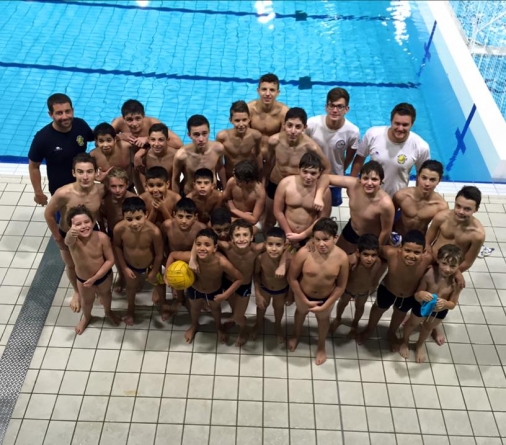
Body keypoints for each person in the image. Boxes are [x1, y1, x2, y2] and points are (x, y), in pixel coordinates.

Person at [44, 153, 105, 313]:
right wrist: (57, 237)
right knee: (72, 265)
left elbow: (102, 211)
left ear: (95, 172)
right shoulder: (64, 193)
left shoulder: (100, 189)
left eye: (89, 172)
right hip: (67, 234)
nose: (85, 177)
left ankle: (96, 285)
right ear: (73, 173)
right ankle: (77, 292)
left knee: (95, 262)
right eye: (80, 172)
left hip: (92, 232)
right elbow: (48, 214)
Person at [425, 186, 485, 345]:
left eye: (467, 209)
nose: (460, 211)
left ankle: (433, 325)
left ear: (476, 209)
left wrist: (453, 271)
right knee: (422, 288)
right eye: (458, 206)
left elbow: (468, 261)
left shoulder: (477, 234)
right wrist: (430, 262)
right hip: (433, 260)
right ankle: (415, 314)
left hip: (452, 269)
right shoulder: (441, 217)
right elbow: (427, 241)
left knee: (442, 296)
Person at [357, 230, 433, 350]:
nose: (411, 255)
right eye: (407, 250)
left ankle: (391, 332)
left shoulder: (428, 259)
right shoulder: (390, 252)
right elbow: (373, 250)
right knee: (378, 309)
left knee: (400, 313)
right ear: (400, 248)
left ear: (424, 252)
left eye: (417, 252)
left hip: (408, 294)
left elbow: (443, 265)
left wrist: (458, 274)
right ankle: (369, 329)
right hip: (387, 288)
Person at [288, 218, 349, 365]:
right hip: (303, 294)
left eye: (326, 240)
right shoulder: (304, 253)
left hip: (326, 297)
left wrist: (327, 304)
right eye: (317, 239)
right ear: (312, 238)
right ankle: (296, 335)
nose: (321, 244)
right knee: (300, 314)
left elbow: (341, 286)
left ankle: (321, 346)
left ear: (335, 238)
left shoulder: (342, 258)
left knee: (323, 321)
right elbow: (292, 278)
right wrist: (303, 298)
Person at [166, 228, 243, 344]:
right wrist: (167, 275)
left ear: (215, 248)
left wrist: (225, 295)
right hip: (195, 289)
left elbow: (240, 278)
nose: (202, 248)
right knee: (195, 308)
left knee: (215, 309)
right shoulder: (191, 257)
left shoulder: (221, 262)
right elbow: (172, 255)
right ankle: (194, 325)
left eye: (207, 245)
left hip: (214, 291)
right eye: (198, 244)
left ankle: (218, 327)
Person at [265, 107, 330, 231]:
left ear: (304, 128)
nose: (293, 131)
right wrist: (264, 183)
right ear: (284, 125)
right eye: (289, 125)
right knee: (270, 219)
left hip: (296, 188)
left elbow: (326, 168)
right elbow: (269, 162)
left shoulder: (310, 147)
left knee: (293, 221)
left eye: (298, 127)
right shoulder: (274, 141)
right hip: (275, 182)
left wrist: (318, 191)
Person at [399, 244, 463, 363]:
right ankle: (405, 341)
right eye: (444, 263)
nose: (448, 269)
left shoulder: (456, 282)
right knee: (412, 324)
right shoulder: (429, 273)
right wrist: (421, 294)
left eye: (453, 266)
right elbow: (416, 295)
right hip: (422, 306)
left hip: (439, 311)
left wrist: (445, 304)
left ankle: (419, 345)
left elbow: (453, 304)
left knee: (428, 328)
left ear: (459, 266)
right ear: (438, 260)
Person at [350, 103, 430, 197]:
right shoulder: (373, 134)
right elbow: (359, 160)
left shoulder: (421, 147)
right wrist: (352, 187)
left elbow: (422, 176)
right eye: (397, 123)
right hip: (369, 195)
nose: (400, 128)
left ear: (412, 124)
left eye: (405, 125)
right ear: (391, 121)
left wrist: (418, 198)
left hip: (396, 200)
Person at [314, 161, 395, 254]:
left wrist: (376, 250)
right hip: (352, 229)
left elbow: (386, 231)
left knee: (359, 266)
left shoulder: (386, 204)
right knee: (338, 255)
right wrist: (319, 196)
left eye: (374, 179)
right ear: (360, 179)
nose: (369, 183)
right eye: (365, 178)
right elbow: (326, 177)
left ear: (381, 181)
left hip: (370, 239)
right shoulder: (353, 184)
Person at [28, 93, 94, 206]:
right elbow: (34, 166)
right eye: (59, 113)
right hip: (61, 191)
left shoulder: (80, 125)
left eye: (67, 111)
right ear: (50, 114)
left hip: (84, 184)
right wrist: (38, 192)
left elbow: (97, 138)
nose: (65, 116)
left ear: (72, 110)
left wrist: (116, 136)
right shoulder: (43, 138)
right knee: (65, 222)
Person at [208, 219, 265, 346]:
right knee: (235, 310)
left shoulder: (256, 249)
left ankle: (242, 330)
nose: (241, 239)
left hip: (243, 286)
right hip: (228, 283)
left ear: (252, 237)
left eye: (245, 235)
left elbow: (282, 242)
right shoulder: (227, 247)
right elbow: (204, 239)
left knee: (240, 315)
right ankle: (235, 318)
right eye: (237, 235)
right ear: (231, 238)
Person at [64, 205, 120, 334]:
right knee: (87, 301)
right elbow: (67, 241)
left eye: (87, 222)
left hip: (103, 277)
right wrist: (70, 233)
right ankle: (87, 317)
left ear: (93, 222)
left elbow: (110, 260)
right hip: (83, 279)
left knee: (106, 294)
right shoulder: (73, 240)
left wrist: (95, 278)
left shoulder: (102, 238)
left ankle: (108, 311)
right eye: (78, 224)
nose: (83, 226)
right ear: (71, 228)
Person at [112, 100, 183, 194]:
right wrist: (120, 136)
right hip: (133, 164)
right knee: (143, 195)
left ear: (143, 116)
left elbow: (178, 143)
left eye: (138, 118)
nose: (134, 124)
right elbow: (101, 140)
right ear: (123, 119)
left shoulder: (152, 123)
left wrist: (148, 139)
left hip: (150, 160)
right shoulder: (118, 123)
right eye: (129, 120)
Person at [113, 197, 165, 324]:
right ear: (123, 216)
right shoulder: (119, 229)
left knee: (159, 284)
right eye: (129, 219)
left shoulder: (154, 231)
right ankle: (130, 309)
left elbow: (159, 255)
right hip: (131, 265)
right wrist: (124, 267)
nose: (134, 223)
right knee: (131, 287)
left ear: (146, 215)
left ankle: (164, 306)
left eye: (138, 218)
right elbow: (117, 247)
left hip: (151, 264)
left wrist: (154, 271)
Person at [306, 87, 360, 207]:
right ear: (326, 107)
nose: (335, 110)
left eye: (340, 107)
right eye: (332, 106)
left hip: (334, 178)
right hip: (311, 176)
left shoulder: (352, 131)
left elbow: (350, 156)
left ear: (347, 109)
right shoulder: (312, 124)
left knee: (328, 208)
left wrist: (339, 171)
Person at [330, 234, 385, 338]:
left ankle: (355, 324)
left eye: (373, 255)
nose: (370, 259)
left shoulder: (378, 263)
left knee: (359, 307)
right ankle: (338, 318)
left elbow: (376, 275)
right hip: (348, 289)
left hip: (363, 292)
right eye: (366, 254)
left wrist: (374, 285)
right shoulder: (351, 261)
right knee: (342, 303)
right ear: (358, 252)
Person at [274, 152, 332, 249]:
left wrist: (302, 236)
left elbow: (322, 218)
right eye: (305, 172)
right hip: (286, 231)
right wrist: (289, 234)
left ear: (320, 173)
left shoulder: (324, 191)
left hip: (309, 235)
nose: (308, 177)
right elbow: (277, 211)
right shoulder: (286, 183)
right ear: (299, 170)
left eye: (313, 173)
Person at [162, 198, 206, 315]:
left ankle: (195, 300)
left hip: (194, 259)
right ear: (174, 215)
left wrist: (193, 260)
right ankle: (180, 299)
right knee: (178, 283)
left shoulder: (201, 228)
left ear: (195, 217)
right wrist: (166, 268)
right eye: (180, 216)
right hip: (174, 258)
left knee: (195, 283)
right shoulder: (167, 225)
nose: (184, 221)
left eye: (188, 217)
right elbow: (162, 243)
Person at [100, 167, 137, 292]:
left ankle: (134, 276)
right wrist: (103, 231)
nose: (117, 190)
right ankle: (121, 276)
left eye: (121, 186)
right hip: (112, 234)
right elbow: (102, 216)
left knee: (131, 256)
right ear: (108, 186)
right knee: (116, 257)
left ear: (127, 185)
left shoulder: (134, 199)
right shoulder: (106, 200)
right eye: (113, 186)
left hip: (131, 233)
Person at [251, 227, 290, 343]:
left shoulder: (289, 261)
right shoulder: (260, 258)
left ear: (285, 245)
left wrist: (290, 296)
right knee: (261, 308)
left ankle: (278, 326)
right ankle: (258, 324)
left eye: (278, 245)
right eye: (270, 244)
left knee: (278, 309)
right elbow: (256, 275)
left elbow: (293, 280)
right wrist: (257, 294)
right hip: (264, 288)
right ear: (265, 244)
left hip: (281, 290)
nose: (274, 249)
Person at [172, 115, 226, 195]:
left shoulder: (218, 149)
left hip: (212, 195)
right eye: (196, 135)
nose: (201, 139)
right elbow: (175, 179)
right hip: (190, 197)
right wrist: (176, 201)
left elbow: (220, 168)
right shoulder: (182, 155)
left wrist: (225, 190)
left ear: (209, 131)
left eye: (204, 133)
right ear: (189, 135)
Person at [393, 160, 448, 236]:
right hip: (398, 236)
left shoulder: (441, 206)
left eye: (432, 180)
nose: (427, 183)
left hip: (419, 241)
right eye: (424, 178)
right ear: (418, 176)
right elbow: (389, 217)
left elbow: (441, 232)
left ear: (439, 180)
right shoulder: (402, 196)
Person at [216, 100, 263, 181]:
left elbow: (258, 155)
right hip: (230, 176)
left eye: (244, 120)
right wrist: (224, 186)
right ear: (230, 120)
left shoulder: (256, 136)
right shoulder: (222, 137)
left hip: (249, 177)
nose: (241, 125)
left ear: (249, 119)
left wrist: (260, 179)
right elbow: (219, 164)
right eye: (237, 121)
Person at [248, 73, 289, 162]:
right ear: (258, 90)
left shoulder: (284, 113)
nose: (267, 94)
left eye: (272, 90)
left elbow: (283, 141)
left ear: (278, 93)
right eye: (264, 89)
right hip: (252, 158)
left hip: (274, 159)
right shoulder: (249, 109)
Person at [223, 159, 266, 226]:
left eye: (239, 181)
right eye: (235, 179)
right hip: (232, 217)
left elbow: (254, 219)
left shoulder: (260, 193)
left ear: (249, 181)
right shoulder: (232, 181)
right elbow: (224, 199)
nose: (236, 182)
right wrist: (231, 209)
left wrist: (234, 209)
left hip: (248, 221)